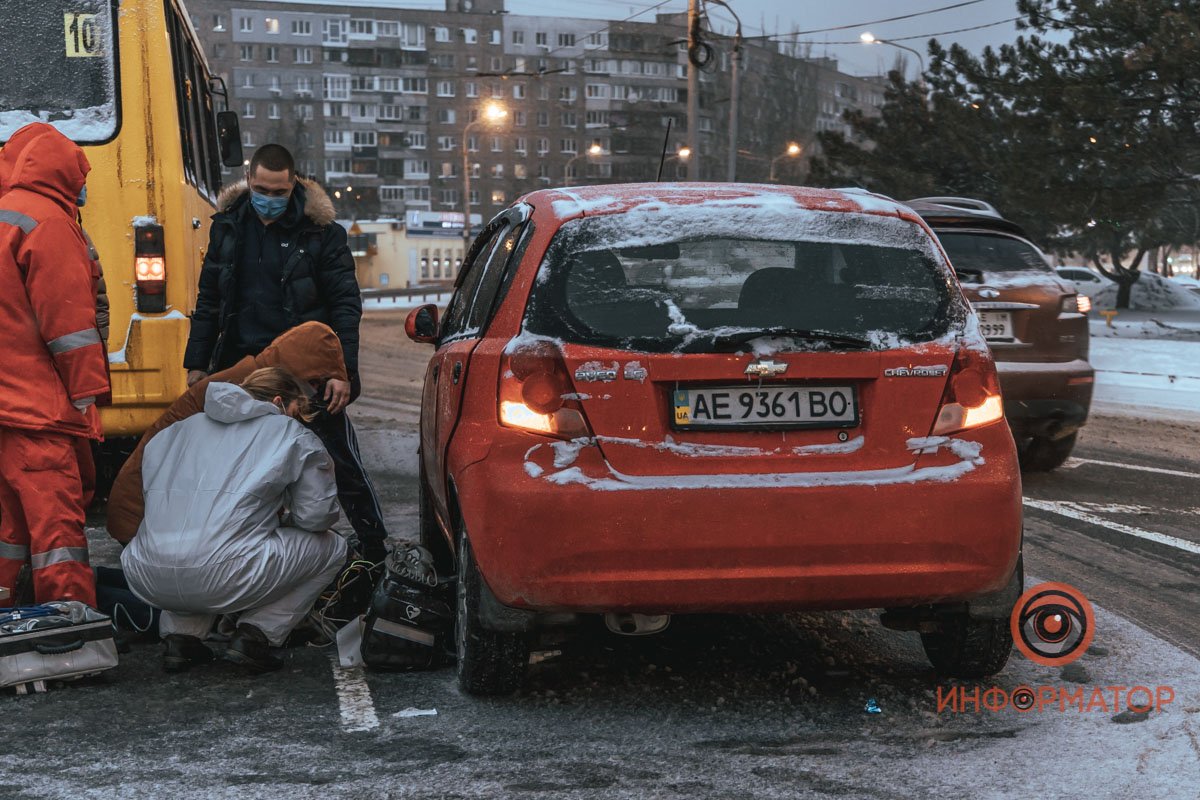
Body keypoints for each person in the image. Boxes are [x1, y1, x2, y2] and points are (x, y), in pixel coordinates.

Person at [181, 143, 389, 564]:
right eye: (261, 189)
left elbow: (345, 306)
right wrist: (197, 364)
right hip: (242, 368)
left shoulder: (321, 234)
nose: (269, 199)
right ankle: (247, 552)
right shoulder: (229, 227)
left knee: (340, 462)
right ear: (249, 179)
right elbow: (208, 300)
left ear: (293, 184)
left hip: (304, 370)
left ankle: (375, 550)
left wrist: (341, 370)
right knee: (241, 467)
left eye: (278, 191)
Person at [121, 367, 346, 674]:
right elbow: (317, 517)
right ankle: (256, 636)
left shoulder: (175, 432)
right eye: (295, 410)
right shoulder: (289, 433)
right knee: (332, 547)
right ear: (279, 401)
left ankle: (181, 640)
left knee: (192, 543)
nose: (295, 418)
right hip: (223, 574)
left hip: (146, 571)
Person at [0, 122, 109, 608]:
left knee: (9, 529)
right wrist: (88, 399)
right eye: (81, 176)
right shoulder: (49, 223)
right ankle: (69, 627)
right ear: (64, 172)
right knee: (57, 529)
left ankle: (10, 615)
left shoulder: (6, 215)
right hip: (37, 409)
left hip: (6, 405)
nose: (84, 186)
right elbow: (69, 327)